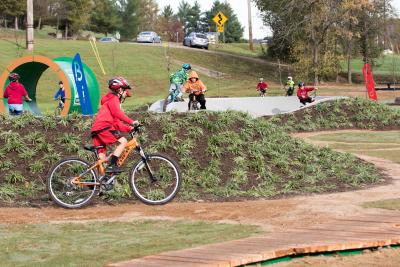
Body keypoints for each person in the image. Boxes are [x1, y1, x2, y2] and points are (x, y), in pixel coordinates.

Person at [90, 76, 139, 174]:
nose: (126, 95)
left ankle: (98, 182)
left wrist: (129, 128)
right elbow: (118, 113)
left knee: (102, 158)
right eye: (125, 92)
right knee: (123, 141)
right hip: (103, 127)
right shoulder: (114, 99)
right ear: (120, 90)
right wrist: (131, 122)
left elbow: (117, 123)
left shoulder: (109, 101)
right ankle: (112, 166)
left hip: (97, 129)